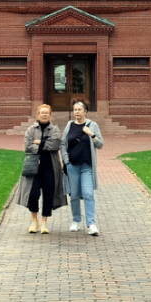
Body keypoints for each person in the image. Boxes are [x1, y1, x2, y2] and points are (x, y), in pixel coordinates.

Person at [14, 104, 67, 233]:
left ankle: (44, 222)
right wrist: (44, 145)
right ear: (38, 114)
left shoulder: (54, 129)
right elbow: (27, 146)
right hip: (34, 168)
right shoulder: (31, 130)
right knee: (33, 194)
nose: (44, 115)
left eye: (46, 113)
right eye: (42, 113)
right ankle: (34, 220)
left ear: (50, 115)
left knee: (48, 195)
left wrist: (39, 142)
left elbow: (55, 144)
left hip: (50, 168)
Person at [60, 100, 104, 235]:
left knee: (88, 194)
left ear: (85, 111)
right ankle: (76, 221)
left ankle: (91, 224)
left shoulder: (93, 125)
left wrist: (92, 135)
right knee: (73, 195)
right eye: (75, 110)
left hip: (87, 167)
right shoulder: (69, 125)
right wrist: (66, 160)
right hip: (72, 166)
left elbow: (100, 145)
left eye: (80, 110)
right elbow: (63, 144)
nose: (77, 112)